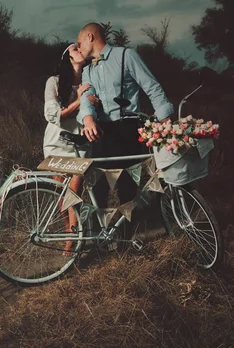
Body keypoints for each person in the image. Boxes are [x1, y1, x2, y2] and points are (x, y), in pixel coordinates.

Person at [76, 22, 174, 210]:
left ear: (90, 37)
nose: (79, 48)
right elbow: (86, 99)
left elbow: (151, 87)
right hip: (100, 132)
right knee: (98, 189)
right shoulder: (88, 70)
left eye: (79, 43)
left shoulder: (126, 55)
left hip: (127, 129)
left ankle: (127, 237)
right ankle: (100, 236)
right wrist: (88, 119)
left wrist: (165, 119)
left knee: (127, 188)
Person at [43, 43, 100, 254]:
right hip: (57, 143)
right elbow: (55, 115)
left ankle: (73, 238)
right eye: (75, 48)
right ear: (67, 57)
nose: (80, 49)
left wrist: (96, 103)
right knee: (61, 195)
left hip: (81, 143)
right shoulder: (54, 82)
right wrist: (79, 99)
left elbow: (93, 114)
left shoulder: (90, 81)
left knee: (74, 191)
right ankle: (69, 230)